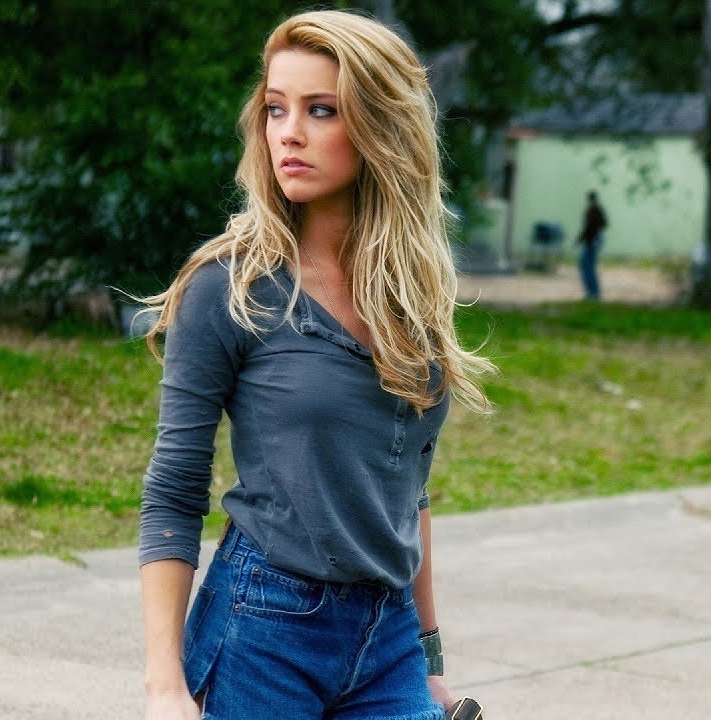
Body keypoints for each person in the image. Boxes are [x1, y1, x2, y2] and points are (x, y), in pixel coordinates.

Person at [135, 10, 494, 720]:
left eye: (320, 110)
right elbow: (174, 489)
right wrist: (165, 685)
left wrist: (429, 661)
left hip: (388, 639)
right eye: (276, 109)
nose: (288, 133)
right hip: (263, 630)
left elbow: (407, 491)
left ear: (380, 125)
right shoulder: (230, 287)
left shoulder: (410, 292)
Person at [577, 190, 607, 300]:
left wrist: (581, 239)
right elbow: (603, 224)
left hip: (591, 241)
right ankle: (593, 292)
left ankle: (592, 293)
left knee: (586, 266)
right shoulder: (598, 210)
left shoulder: (592, 210)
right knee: (589, 266)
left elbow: (589, 228)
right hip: (594, 240)